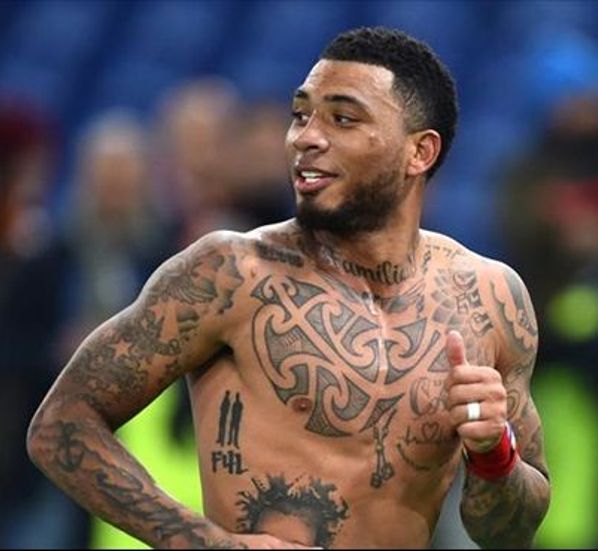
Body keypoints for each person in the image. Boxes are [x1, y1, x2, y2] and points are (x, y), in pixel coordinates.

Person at [27, 27, 550, 549]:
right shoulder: (230, 274)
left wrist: (493, 453)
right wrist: (206, 543)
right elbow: (60, 424)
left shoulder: (488, 297)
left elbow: (510, 533)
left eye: (342, 119)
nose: (305, 137)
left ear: (420, 152)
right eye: (301, 115)